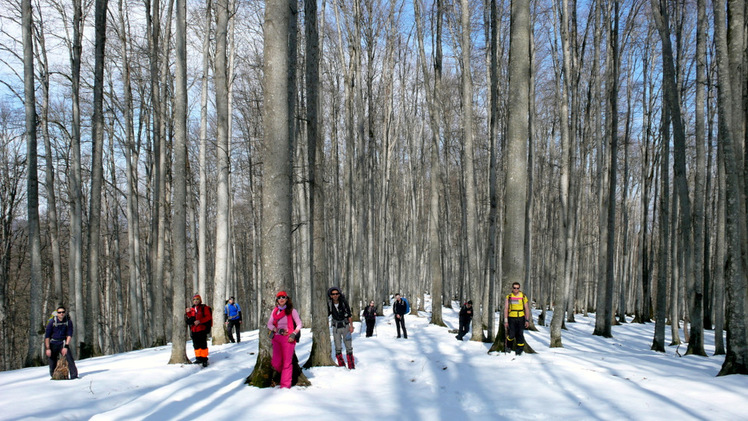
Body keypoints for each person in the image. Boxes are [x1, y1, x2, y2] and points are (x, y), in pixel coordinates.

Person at [267, 291, 302, 388]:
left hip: (288, 339)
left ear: (287, 299)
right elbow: (269, 324)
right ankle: (283, 374)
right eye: (279, 297)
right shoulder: (275, 311)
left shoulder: (292, 311)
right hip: (276, 338)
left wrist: (293, 334)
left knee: (287, 362)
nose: (281, 299)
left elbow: (299, 324)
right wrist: (276, 329)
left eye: (283, 297)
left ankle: (285, 386)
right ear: (277, 300)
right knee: (276, 362)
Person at [44, 306, 78, 379]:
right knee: (52, 361)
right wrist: (48, 348)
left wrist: (66, 346)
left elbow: (69, 334)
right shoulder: (52, 322)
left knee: (69, 359)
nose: (61, 314)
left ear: (65, 313)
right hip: (53, 343)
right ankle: (54, 376)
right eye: (59, 312)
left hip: (62, 343)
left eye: (63, 312)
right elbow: (47, 336)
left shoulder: (68, 322)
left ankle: (74, 376)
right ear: (57, 313)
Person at [327, 287, 355, 369]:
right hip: (336, 328)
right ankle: (341, 365)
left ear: (339, 294)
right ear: (331, 295)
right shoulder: (329, 304)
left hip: (345, 326)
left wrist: (351, 326)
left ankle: (351, 365)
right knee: (337, 346)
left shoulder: (344, 302)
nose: (335, 295)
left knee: (348, 345)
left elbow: (349, 315)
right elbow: (327, 314)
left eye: (336, 294)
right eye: (333, 294)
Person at [185, 294, 213, 367]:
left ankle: (204, 359)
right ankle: (198, 358)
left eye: (197, 299)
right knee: (196, 345)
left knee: (203, 344)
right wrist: (188, 312)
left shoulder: (204, 308)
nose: (195, 301)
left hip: (202, 329)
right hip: (194, 330)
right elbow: (191, 317)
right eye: (194, 299)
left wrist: (200, 321)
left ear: (200, 300)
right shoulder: (192, 309)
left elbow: (208, 317)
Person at [504, 282, 531, 355]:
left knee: (520, 334)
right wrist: (506, 320)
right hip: (511, 318)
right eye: (514, 288)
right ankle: (508, 346)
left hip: (521, 318)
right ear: (512, 288)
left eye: (517, 288)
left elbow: (527, 308)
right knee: (511, 334)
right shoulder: (509, 296)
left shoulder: (523, 296)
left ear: (519, 288)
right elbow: (506, 308)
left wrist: (527, 320)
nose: (516, 289)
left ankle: (519, 349)